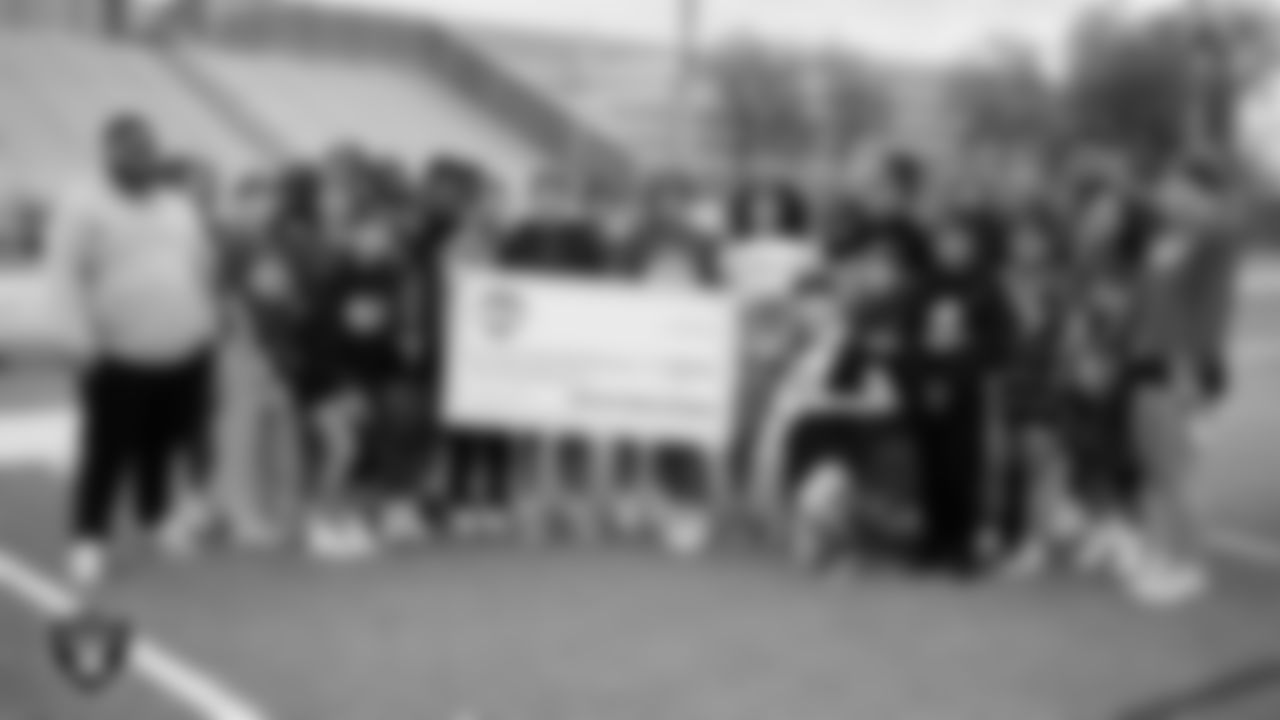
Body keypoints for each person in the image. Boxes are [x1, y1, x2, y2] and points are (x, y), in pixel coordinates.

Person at [52, 114, 220, 589]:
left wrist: (206, 322)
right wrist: (79, 344)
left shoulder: (177, 205)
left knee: (161, 444)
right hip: (118, 354)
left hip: (185, 347)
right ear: (109, 153)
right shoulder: (82, 207)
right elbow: (64, 279)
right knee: (107, 452)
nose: (142, 157)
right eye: (130, 149)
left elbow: (200, 264)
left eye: (148, 147)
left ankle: (156, 518)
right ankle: (89, 538)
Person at [904, 211, 1005, 575]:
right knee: (930, 468)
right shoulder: (921, 286)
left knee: (963, 469)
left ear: (972, 246)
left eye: (957, 241)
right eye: (943, 240)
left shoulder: (986, 288)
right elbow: (910, 338)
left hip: (966, 393)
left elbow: (995, 344)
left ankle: (963, 545)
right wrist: (925, 381)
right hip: (925, 391)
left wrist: (956, 379)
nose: (949, 248)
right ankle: (933, 540)